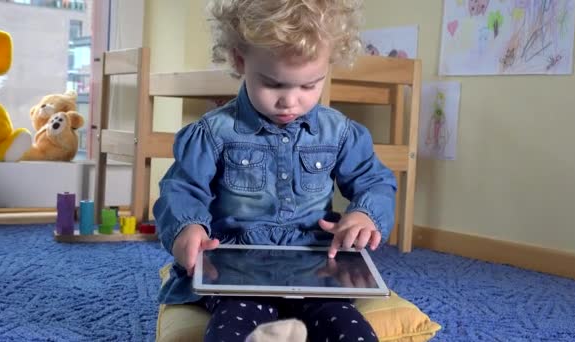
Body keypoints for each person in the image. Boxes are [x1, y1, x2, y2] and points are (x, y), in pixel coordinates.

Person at [153, 0, 396, 341]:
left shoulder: (340, 132)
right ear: (240, 60)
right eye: (274, 84)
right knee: (228, 330)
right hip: (236, 268)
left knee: (349, 329)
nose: (290, 101)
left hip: (315, 265)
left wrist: (366, 215)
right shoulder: (212, 132)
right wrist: (186, 228)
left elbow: (376, 181)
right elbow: (181, 189)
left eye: (309, 86)